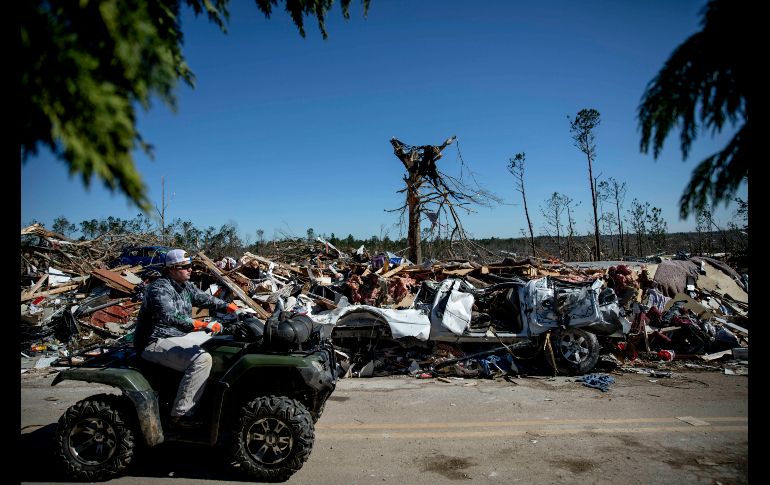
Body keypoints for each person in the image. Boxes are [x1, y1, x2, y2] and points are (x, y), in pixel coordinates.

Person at [133, 249, 238, 428]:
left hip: (177, 336)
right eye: (185, 267)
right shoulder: (160, 288)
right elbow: (170, 316)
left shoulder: (185, 285)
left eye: (191, 266)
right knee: (202, 360)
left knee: (217, 344)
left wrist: (229, 307)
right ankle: (182, 414)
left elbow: (203, 298)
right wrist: (202, 325)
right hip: (154, 340)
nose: (190, 270)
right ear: (172, 269)